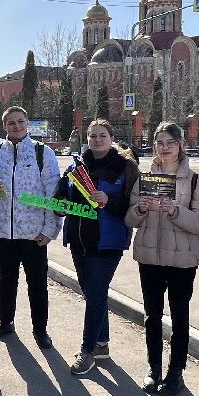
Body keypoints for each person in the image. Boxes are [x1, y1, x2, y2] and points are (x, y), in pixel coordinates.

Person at [125, 121, 199, 396]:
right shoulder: (145, 177)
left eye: (171, 143)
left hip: (182, 260)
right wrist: (140, 208)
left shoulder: (195, 180)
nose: (165, 149)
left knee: (179, 317)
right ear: (154, 147)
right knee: (152, 316)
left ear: (181, 146)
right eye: (160, 143)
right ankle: (154, 370)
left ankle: (176, 373)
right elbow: (129, 218)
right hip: (149, 256)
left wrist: (176, 211)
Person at [55, 119, 139, 376]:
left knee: (96, 293)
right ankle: (101, 344)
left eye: (102, 135)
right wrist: (59, 206)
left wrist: (109, 200)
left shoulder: (125, 167)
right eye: (92, 136)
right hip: (79, 241)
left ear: (111, 138)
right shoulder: (76, 165)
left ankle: (87, 350)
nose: (97, 140)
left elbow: (134, 207)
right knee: (91, 292)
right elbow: (61, 197)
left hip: (107, 242)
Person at [0, 105, 62, 348]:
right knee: (5, 280)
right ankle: (6, 323)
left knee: (37, 283)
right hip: (3, 231)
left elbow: (53, 194)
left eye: (20, 122)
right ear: (4, 127)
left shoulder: (42, 153)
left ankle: (40, 330)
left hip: (34, 233)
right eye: (11, 123)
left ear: (27, 124)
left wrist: (49, 230)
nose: (16, 126)